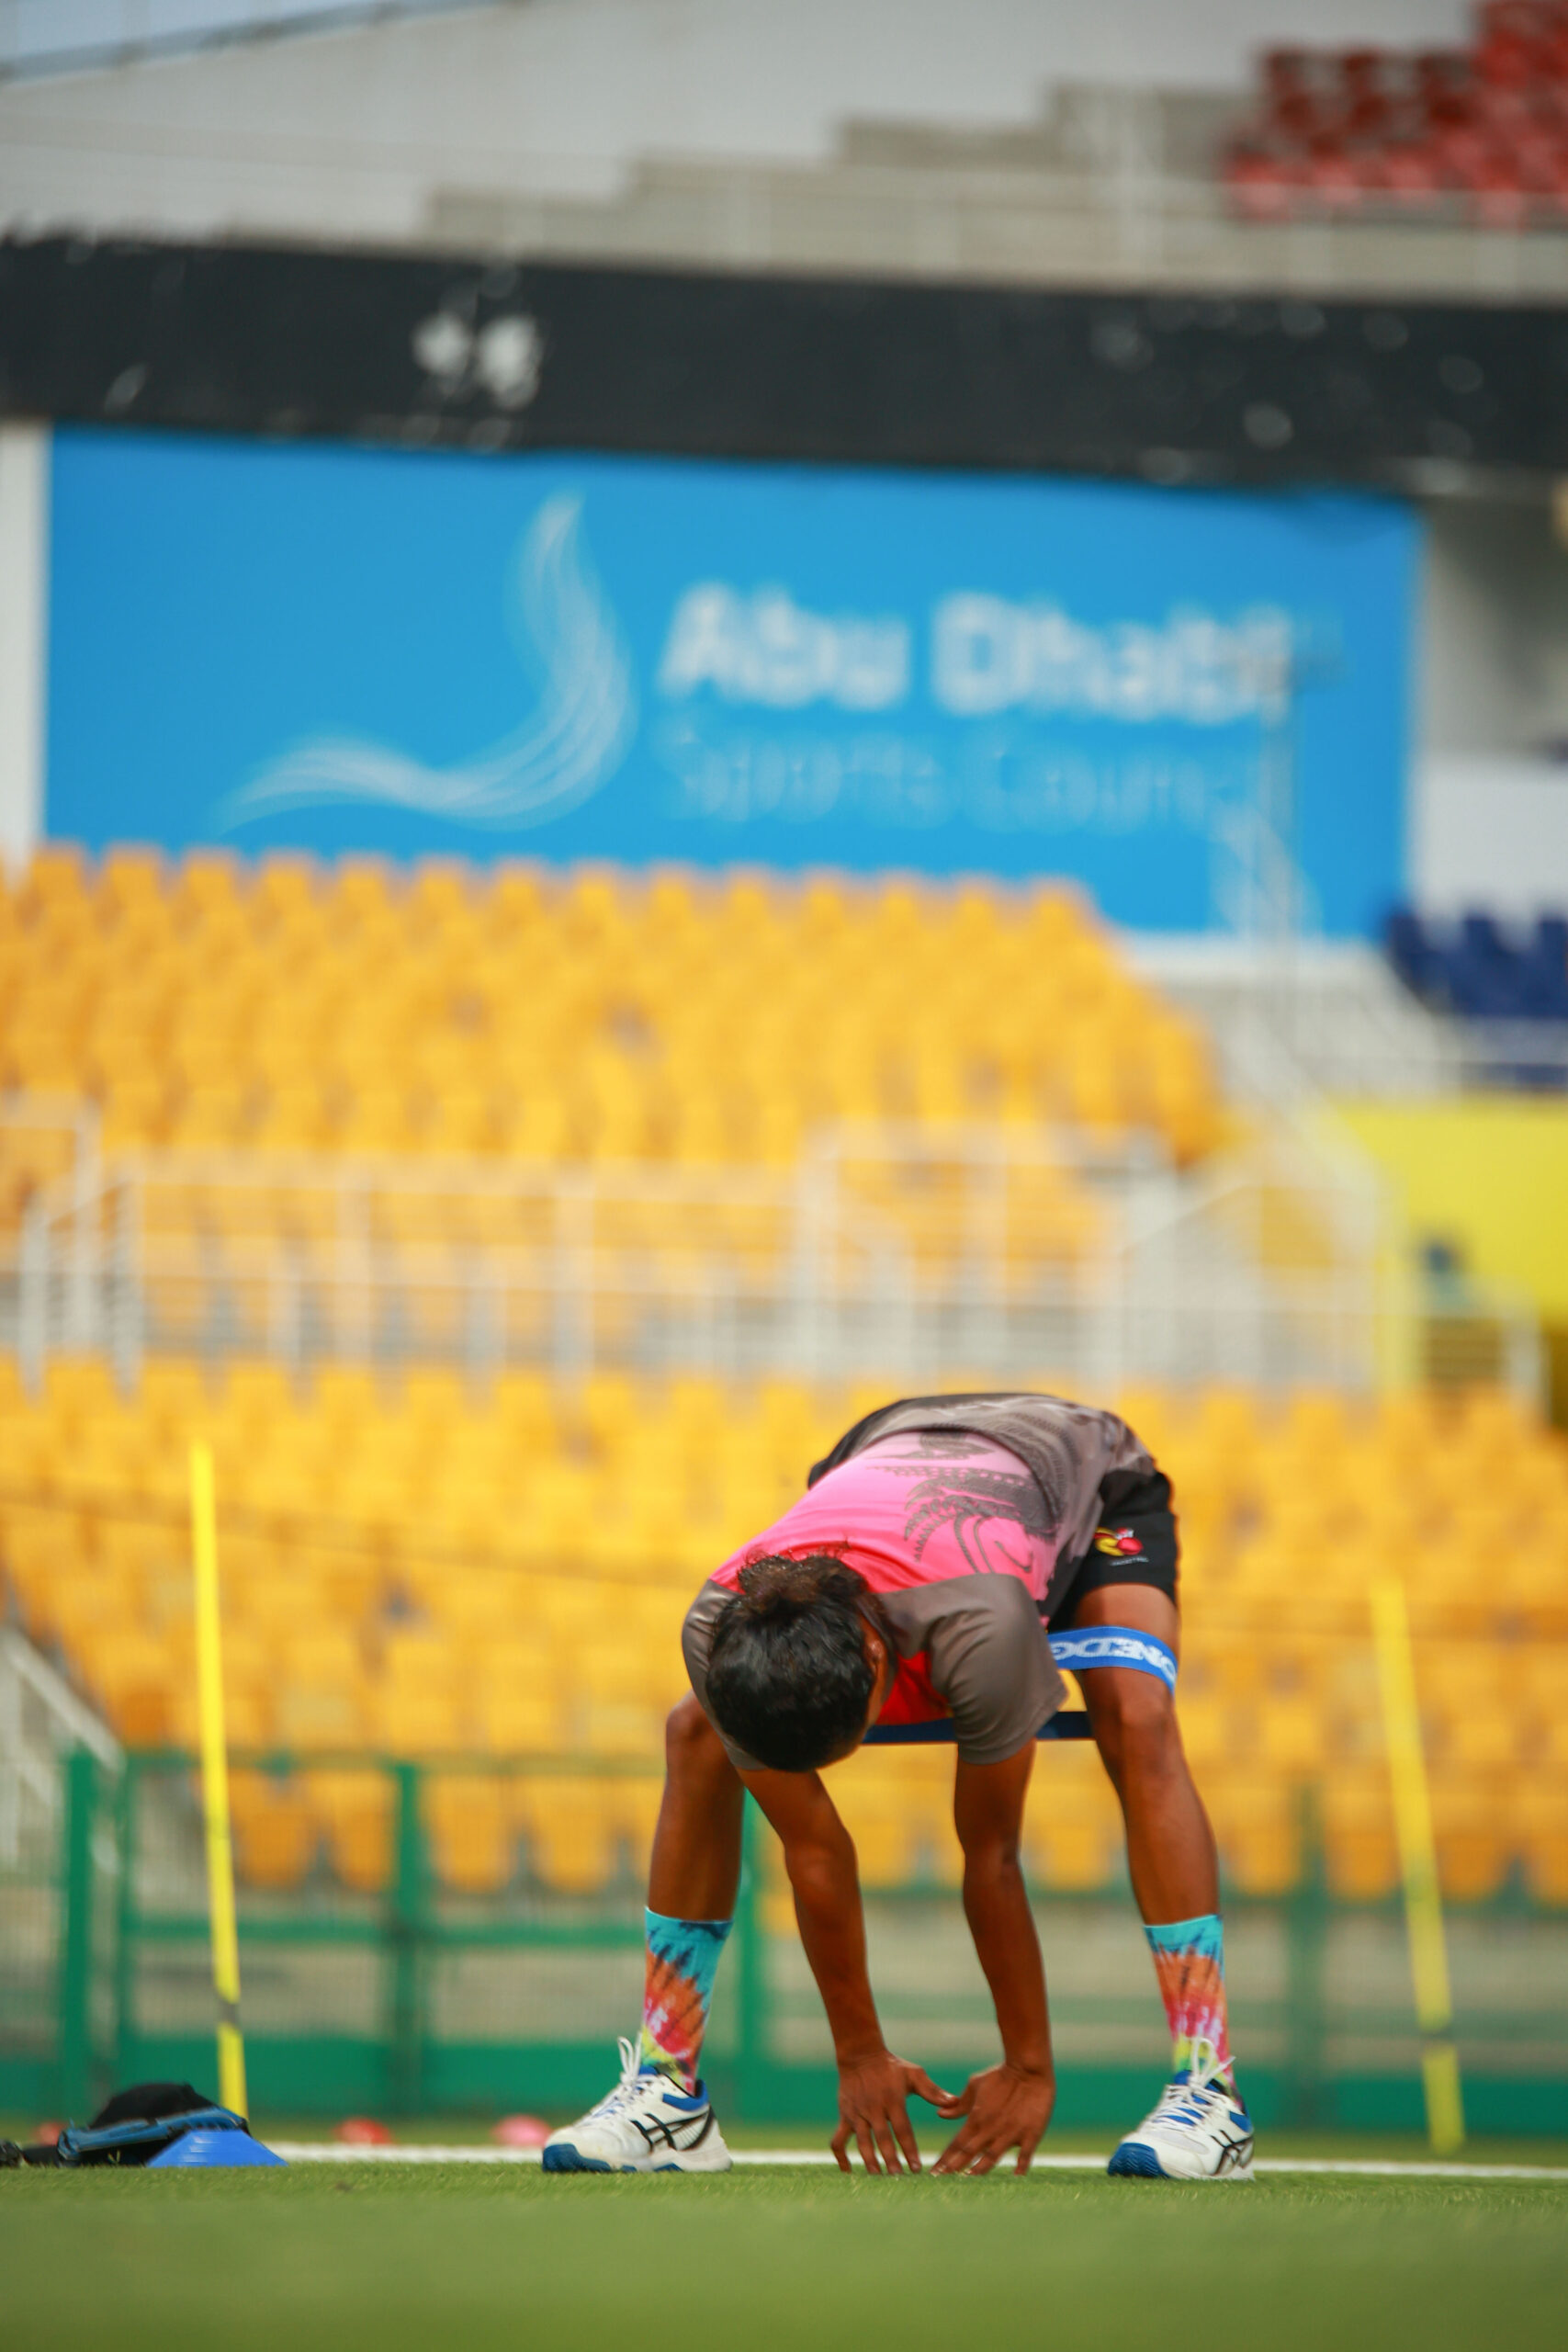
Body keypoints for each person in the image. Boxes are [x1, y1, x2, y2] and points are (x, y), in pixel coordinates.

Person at [543, 1391, 1252, 2181]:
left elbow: (991, 1851)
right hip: (880, 1450)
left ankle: (1209, 2088)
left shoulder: (980, 1630)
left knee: (1136, 1710)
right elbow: (814, 1849)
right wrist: (858, 2055)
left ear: (882, 1667)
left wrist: (1028, 2065)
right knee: (693, 1731)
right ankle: (666, 2087)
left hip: (1084, 1475)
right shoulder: (715, 1624)